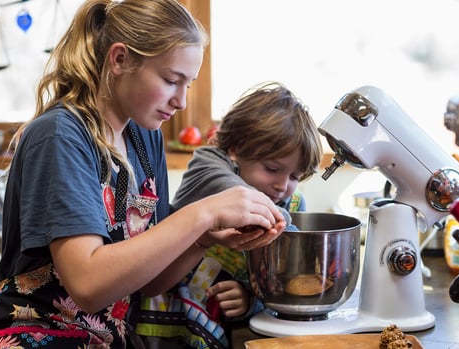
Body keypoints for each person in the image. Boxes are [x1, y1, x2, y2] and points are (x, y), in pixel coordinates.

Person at [0, 1, 287, 348]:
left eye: (188, 85)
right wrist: (203, 212)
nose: (180, 101)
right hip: (37, 337)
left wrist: (204, 237)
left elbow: (148, 282)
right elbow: (88, 286)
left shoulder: (146, 137)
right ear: (120, 60)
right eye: (170, 80)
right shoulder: (61, 135)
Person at [136, 82, 323, 348]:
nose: (283, 185)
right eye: (271, 168)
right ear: (235, 149)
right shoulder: (207, 168)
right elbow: (236, 195)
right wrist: (291, 235)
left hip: (218, 329)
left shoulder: (290, 204)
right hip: (164, 323)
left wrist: (249, 298)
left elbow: (278, 282)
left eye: (295, 176)